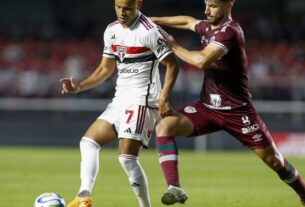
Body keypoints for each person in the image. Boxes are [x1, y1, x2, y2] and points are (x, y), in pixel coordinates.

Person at [150, 0, 305, 205]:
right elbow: (188, 22)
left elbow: (201, 60)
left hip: (238, 113)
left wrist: (172, 45)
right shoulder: (207, 26)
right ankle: (174, 187)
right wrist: (153, 20)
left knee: (274, 161)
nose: (207, 10)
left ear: (229, 5)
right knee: (165, 126)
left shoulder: (231, 31)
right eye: (205, 4)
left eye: (213, 5)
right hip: (207, 108)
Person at [60, 0, 179, 206]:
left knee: (127, 159)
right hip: (120, 99)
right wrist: (78, 87)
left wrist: (163, 97)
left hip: (142, 100)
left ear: (138, 4)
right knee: (88, 143)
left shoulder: (149, 31)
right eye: (118, 6)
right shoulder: (111, 30)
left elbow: (172, 65)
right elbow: (105, 70)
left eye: (128, 8)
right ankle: (83, 196)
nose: (122, 12)